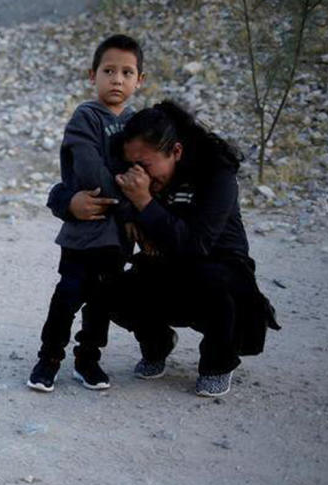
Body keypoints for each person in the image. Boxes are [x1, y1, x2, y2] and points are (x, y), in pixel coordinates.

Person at [50, 101, 279, 397]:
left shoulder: (216, 174)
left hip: (220, 276)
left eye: (145, 165)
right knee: (108, 286)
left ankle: (218, 362)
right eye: (132, 166)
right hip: (166, 270)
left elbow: (197, 246)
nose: (138, 175)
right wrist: (68, 202)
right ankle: (157, 343)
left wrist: (144, 203)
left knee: (214, 281)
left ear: (176, 152)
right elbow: (72, 187)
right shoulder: (137, 174)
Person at [26, 34, 145, 393]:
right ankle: (48, 359)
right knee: (69, 294)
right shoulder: (86, 117)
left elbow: (145, 172)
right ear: (92, 75)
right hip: (84, 230)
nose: (117, 80)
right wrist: (129, 202)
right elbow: (92, 172)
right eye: (109, 71)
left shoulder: (141, 123)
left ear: (140, 80)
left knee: (101, 303)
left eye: (127, 72)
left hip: (118, 238)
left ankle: (88, 361)